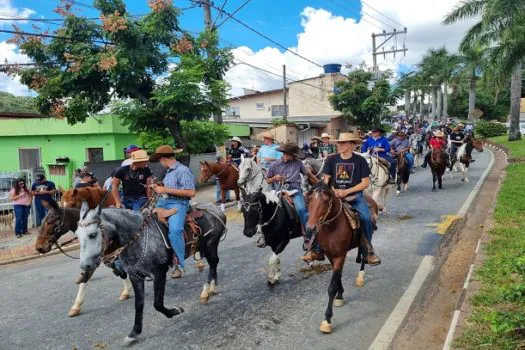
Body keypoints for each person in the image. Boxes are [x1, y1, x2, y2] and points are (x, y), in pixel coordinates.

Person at [303, 132, 380, 265]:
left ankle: (368, 252)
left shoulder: (360, 160)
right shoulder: (332, 159)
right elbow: (327, 179)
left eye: (343, 143)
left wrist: (347, 191)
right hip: (334, 195)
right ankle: (316, 249)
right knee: (315, 216)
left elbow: (365, 183)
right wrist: (329, 190)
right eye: (338, 143)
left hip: (355, 196)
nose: (339, 145)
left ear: (352, 145)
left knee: (366, 219)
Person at [150, 145, 196, 279]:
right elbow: (168, 189)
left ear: (163, 159)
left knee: (175, 230)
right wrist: (159, 188)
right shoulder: (168, 172)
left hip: (178, 203)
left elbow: (191, 192)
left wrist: (165, 190)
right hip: (163, 202)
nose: (160, 163)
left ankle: (180, 265)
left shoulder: (183, 170)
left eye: (159, 160)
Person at [263, 143, 311, 248]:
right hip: (279, 191)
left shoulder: (298, 163)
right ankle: (264, 234)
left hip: (295, 191)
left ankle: (307, 235)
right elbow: (267, 180)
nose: (294, 157)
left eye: (295, 155)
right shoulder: (274, 165)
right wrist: (275, 178)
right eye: (292, 155)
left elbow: (307, 174)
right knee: (265, 208)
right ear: (285, 154)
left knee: (301, 210)